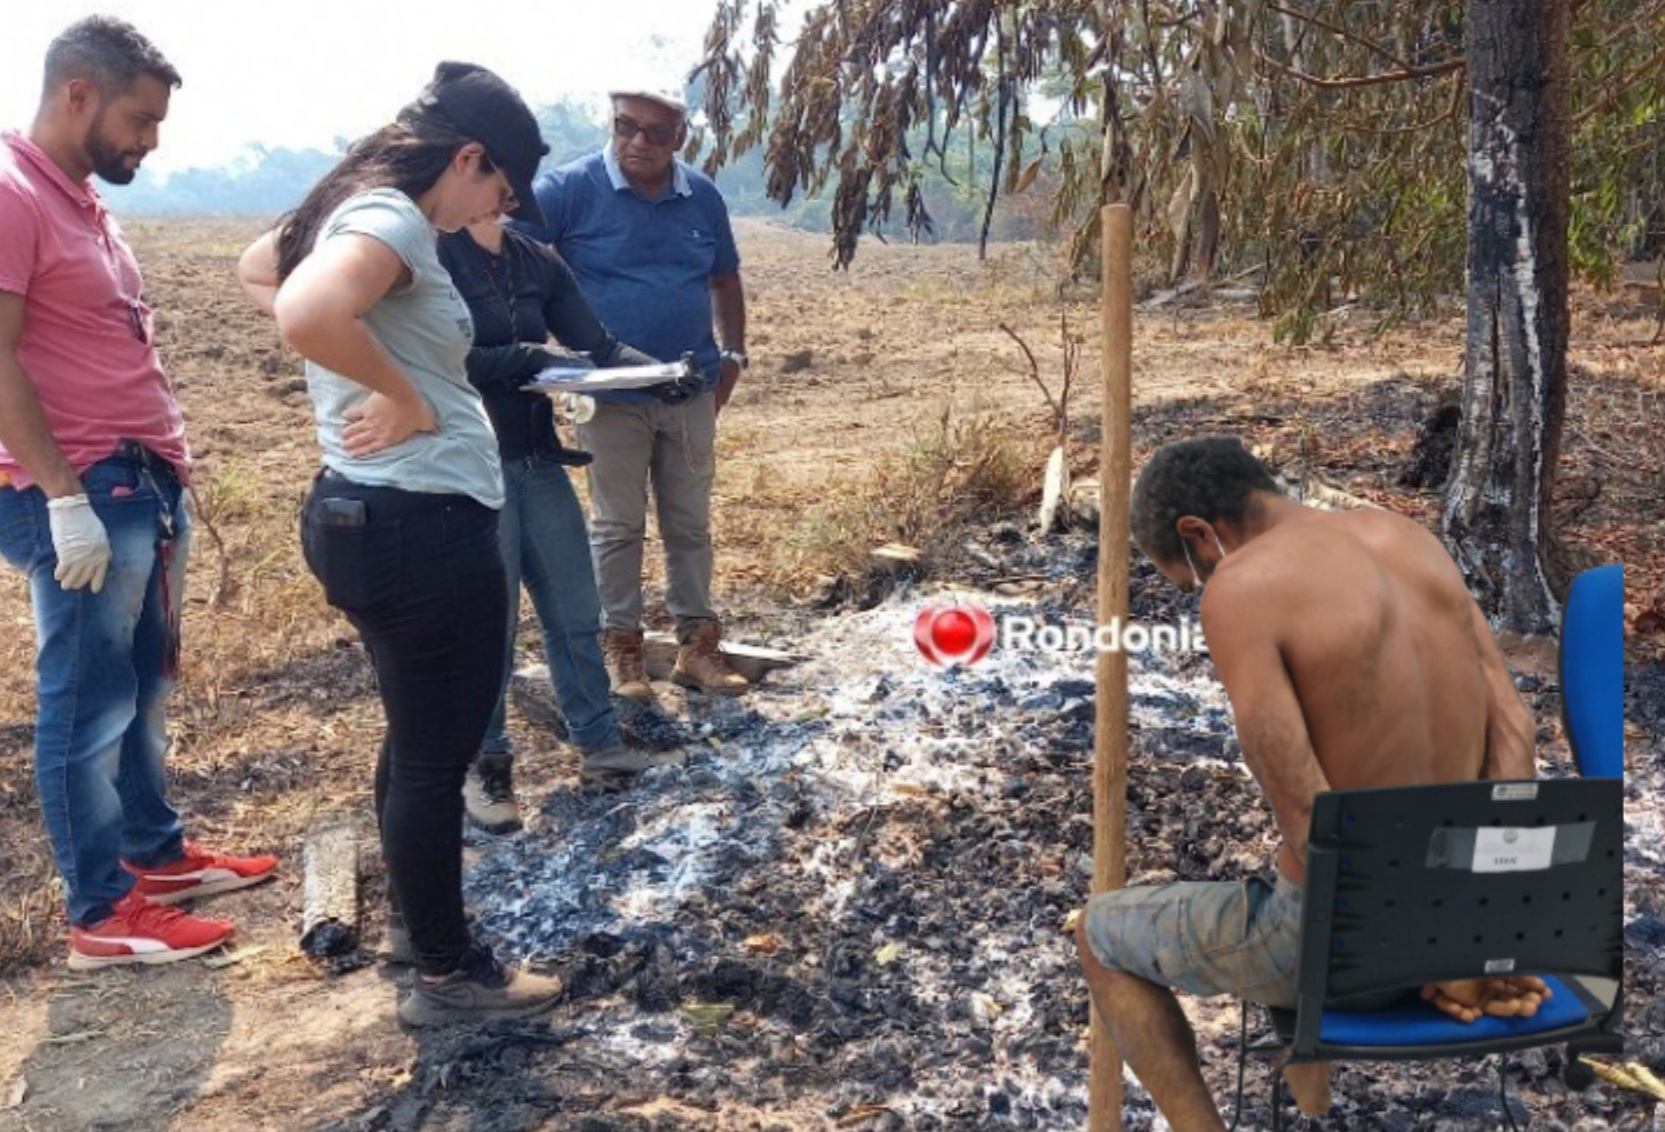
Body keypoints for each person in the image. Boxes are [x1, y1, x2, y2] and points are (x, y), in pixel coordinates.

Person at [1074, 437, 1550, 1129]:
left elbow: (1307, 814)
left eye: (1190, 576)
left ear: (1199, 534)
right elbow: (1514, 732)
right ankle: (1311, 1115)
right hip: (1465, 922)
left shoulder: (1241, 588)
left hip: (1347, 949)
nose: (1201, 590)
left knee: (1100, 933)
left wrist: (1414, 946)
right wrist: (1469, 932)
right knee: (1274, 881)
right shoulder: (1410, 540)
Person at [235, 62, 561, 1027]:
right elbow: (301, 309)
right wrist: (404, 392)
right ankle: (450, 975)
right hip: (420, 525)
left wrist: (374, 363)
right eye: (499, 189)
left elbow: (263, 267)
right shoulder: (393, 220)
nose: (498, 208)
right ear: (468, 158)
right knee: (435, 756)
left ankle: (420, 930)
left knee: (416, 742)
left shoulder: (346, 210)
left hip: (361, 516)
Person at [0, 16, 278, 971]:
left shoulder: (80, 201)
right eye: (140, 119)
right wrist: (62, 497)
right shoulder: (8, 193)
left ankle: (153, 859)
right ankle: (101, 913)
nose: (150, 141)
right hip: (75, 488)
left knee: (144, 684)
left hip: (136, 482)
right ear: (77, 92)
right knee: (86, 700)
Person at [436, 215, 685, 828]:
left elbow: (598, 347)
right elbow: (430, 361)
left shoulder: (534, 260)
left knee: (576, 610)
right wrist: (518, 358)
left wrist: (662, 376)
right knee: (488, 626)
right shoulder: (433, 254)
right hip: (470, 467)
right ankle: (486, 765)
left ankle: (601, 746)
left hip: (536, 460)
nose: (508, 190)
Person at [517, 87, 750, 699]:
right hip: (609, 394)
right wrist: (532, 354)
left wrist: (732, 357)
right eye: (626, 127)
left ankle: (697, 648)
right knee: (617, 525)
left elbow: (725, 278)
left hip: (689, 385)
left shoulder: (701, 196)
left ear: (679, 138)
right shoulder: (567, 191)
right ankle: (620, 650)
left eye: (655, 132)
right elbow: (511, 261)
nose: (637, 143)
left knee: (690, 523)